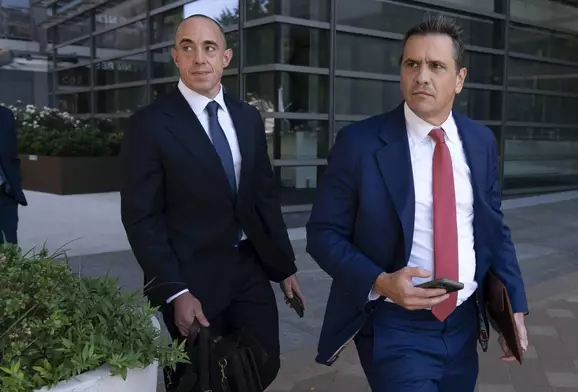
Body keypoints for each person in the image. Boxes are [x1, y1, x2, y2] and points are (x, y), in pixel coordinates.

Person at [306, 15, 529, 392]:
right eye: (412, 64)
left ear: (459, 79)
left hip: (462, 325)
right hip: (395, 326)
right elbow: (322, 234)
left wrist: (514, 311)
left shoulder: (480, 142)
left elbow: (495, 230)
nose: (421, 75)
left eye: (436, 66)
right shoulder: (359, 144)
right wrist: (381, 282)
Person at [119, 14, 304, 391]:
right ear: (175, 57)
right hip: (190, 277)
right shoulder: (150, 125)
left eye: (209, 47)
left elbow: (263, 196)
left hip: (248, 266)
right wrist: (175, 291)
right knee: (198, 379)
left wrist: (284, 267)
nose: (199, 58)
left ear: (226, 57)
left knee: (262, 361)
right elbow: (142, 218)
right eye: (188, 47)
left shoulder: (248, 117)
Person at [0, 105, 27, 245]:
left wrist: (15, 185)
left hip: (5, 194)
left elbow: (11, 154)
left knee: (10, 253)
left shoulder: (5, 115)